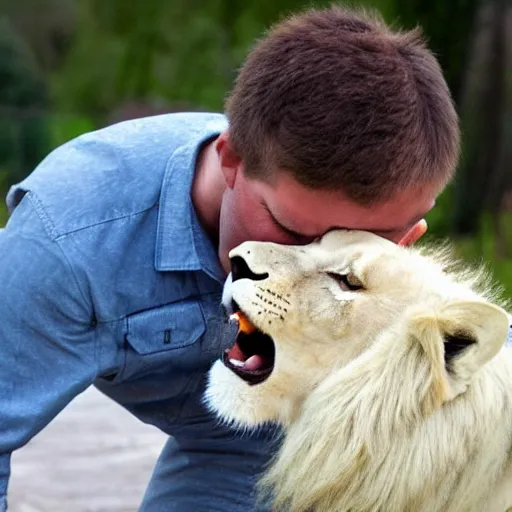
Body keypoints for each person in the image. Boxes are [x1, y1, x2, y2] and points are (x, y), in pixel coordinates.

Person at [0, 5, 461, 512]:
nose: (297, 269)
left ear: (411, 231)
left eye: (352, 252)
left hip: (274, 440)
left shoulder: (402, 269)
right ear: (232, 159)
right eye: (290, 232)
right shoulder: (70, 238)